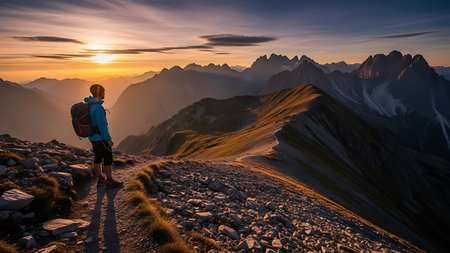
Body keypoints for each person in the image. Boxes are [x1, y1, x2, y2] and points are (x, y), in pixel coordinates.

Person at [84, 84, 123, 188]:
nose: (105, 94)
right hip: (100, 137)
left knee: (97, 157)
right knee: (108, 158)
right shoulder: (98, 108)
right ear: (100, 93)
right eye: (104, 92)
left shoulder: (90, 105)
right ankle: (109, 181)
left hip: (92, 136)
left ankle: (101, 179)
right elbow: (102, 126)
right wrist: (108, 139)